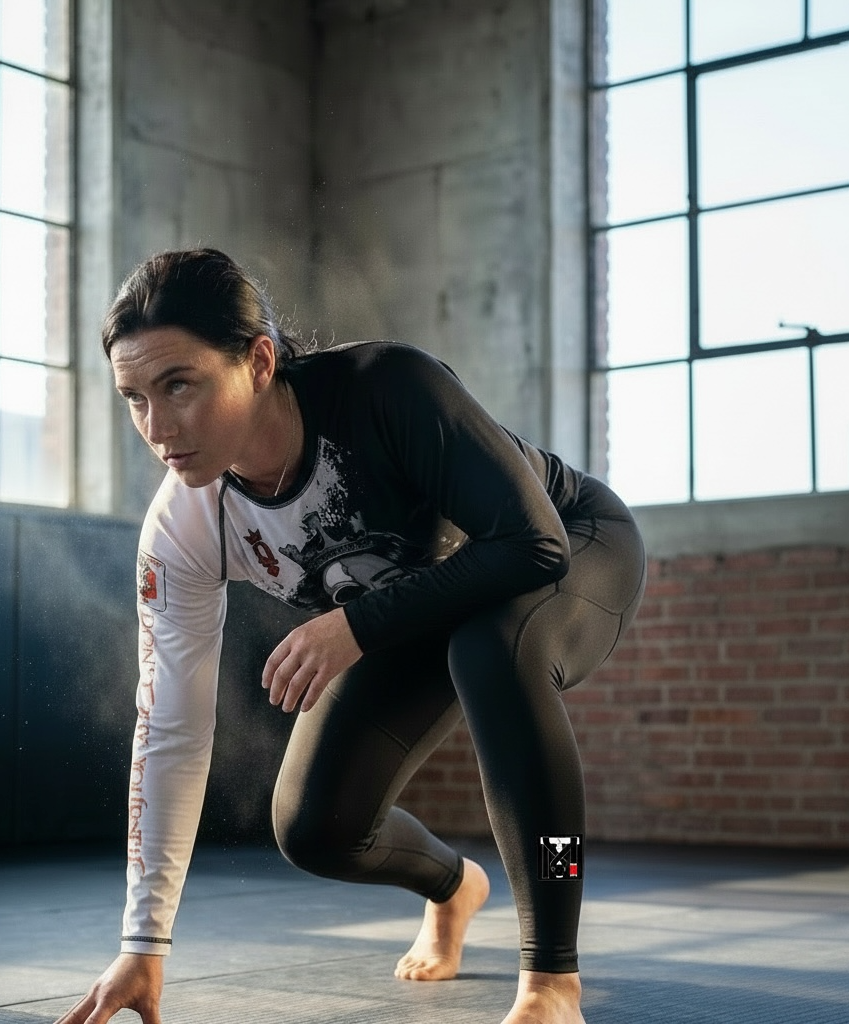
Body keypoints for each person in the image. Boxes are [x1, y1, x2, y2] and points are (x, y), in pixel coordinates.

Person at [54, 248, 645, 1024]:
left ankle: (552, 975)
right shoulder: (183, 528)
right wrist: (143, 943)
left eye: (180, 385)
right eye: (134, 398)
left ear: (259, 362)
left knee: (492, 647)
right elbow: (170, 730)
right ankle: (453, 886)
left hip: (567, 542)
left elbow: (533, 546)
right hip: (419, 603)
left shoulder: (387, 390)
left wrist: (359, 624)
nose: (158, 427)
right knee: (314, 828)